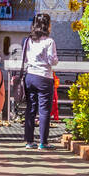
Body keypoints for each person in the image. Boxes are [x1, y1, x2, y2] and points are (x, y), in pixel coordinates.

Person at [21, 13, 60, 150]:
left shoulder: (28, 41)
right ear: (47, 25)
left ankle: (29, 141)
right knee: (44, 111)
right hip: (44, 78)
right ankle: (43, 142)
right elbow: (52, 61)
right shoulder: (49, 41)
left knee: (30, 109)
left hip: (30, 76)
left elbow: (24, 59)